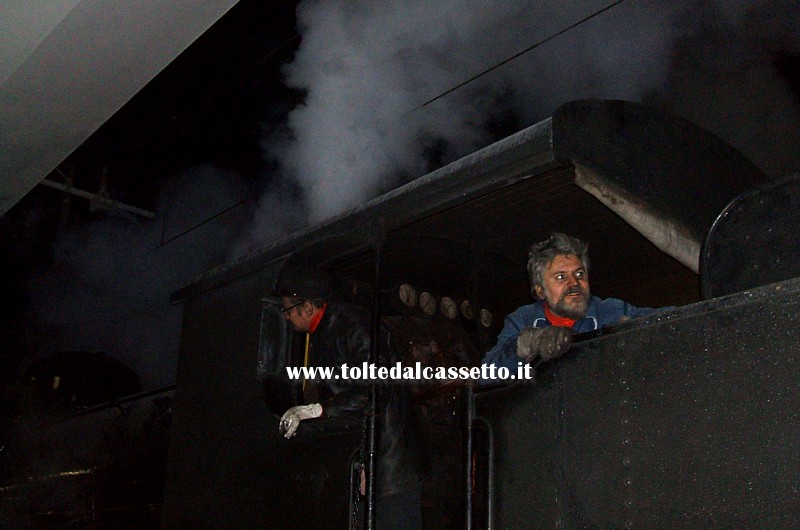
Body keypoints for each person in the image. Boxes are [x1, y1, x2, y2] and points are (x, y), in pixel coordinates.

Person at [273, 265, 425, 530]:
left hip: (390, 463)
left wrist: (318, 410)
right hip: (375, 460)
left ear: (307, 307)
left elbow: (377, 388)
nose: (285, 317)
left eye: (287, 310)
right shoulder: (330, 329)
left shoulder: (351, 327)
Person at [482, 232, 666, 370]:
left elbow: (669, 322)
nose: (574, 283)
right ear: (540, 291)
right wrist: (526, 344)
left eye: (579, 274)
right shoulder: (523, 319)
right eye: (561, 277)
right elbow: (487, 375)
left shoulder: (611, 311)